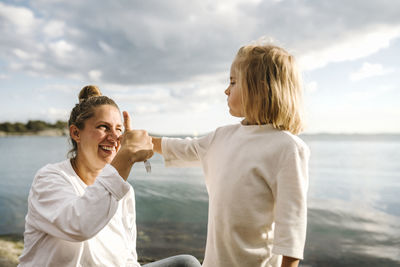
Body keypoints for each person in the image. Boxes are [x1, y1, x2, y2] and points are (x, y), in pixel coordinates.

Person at [152, 44, 310, 267]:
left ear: (261, 88)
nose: (226, 90)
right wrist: (137, 139)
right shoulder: (221, 137)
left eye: (233, 82)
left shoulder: (288, 148)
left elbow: (291, 231)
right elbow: (180, 148)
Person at [18, 85, 201, 267]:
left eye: (119, 129)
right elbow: (80, 225)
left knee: (187, 263)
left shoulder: (124, 192)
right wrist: (126, 157)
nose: (115, 138)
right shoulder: (49, 178)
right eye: (104, 127)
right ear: (76, 133)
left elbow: (128, 256)